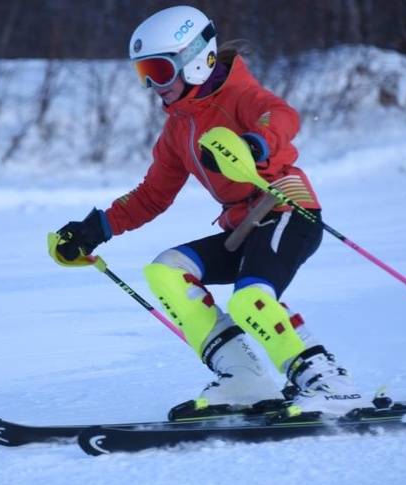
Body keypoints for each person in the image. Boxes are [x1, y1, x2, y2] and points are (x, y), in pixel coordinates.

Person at [48, 5, 366, 416]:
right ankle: (244, 380)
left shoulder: (242, 96)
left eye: (159, 71)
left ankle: (329, 383)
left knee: (250, 297)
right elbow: (152, 195)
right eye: (142, 73)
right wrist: (96, 228)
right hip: (244, 227)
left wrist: (257, 144)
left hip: (287, 208)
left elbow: (283, 117)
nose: (151, 85)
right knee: (166, 270)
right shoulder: (178, 129)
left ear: (197, 60)